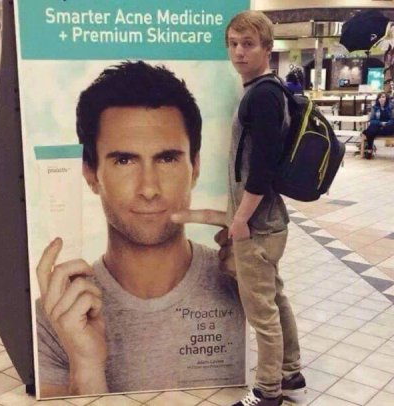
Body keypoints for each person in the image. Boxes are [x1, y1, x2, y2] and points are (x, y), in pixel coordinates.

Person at [35, 60, 246, 398]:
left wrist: (264, 292)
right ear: (90, 174)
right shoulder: (57, 312)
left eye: (167, 158)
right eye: (124, 160)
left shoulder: (242, 282)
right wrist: (85, 366)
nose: (149, 189)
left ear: (195, 167)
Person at [224, 10, 306, 406]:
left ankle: (267, 391)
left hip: (257, 223)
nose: (239, 52)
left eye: (248, 44)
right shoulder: (265, 90)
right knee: (274, 297)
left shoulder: (264, 96)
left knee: (261, 311)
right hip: (268, 219)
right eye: (233, 44)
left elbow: (262, 168)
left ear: (267, 48)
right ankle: (290, 373)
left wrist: (241, 219)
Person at [363, 92, 394, 158]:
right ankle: (369, 149)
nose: (381, 99)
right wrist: (380, 123)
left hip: (389, 128)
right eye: (380, 97)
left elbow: (393, 119)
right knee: (371, 128)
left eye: (383, 97)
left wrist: (387, 123)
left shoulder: (391, 107)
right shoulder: (375, 107)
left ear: (386, 98)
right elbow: (372, 120)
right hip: (378, 128)